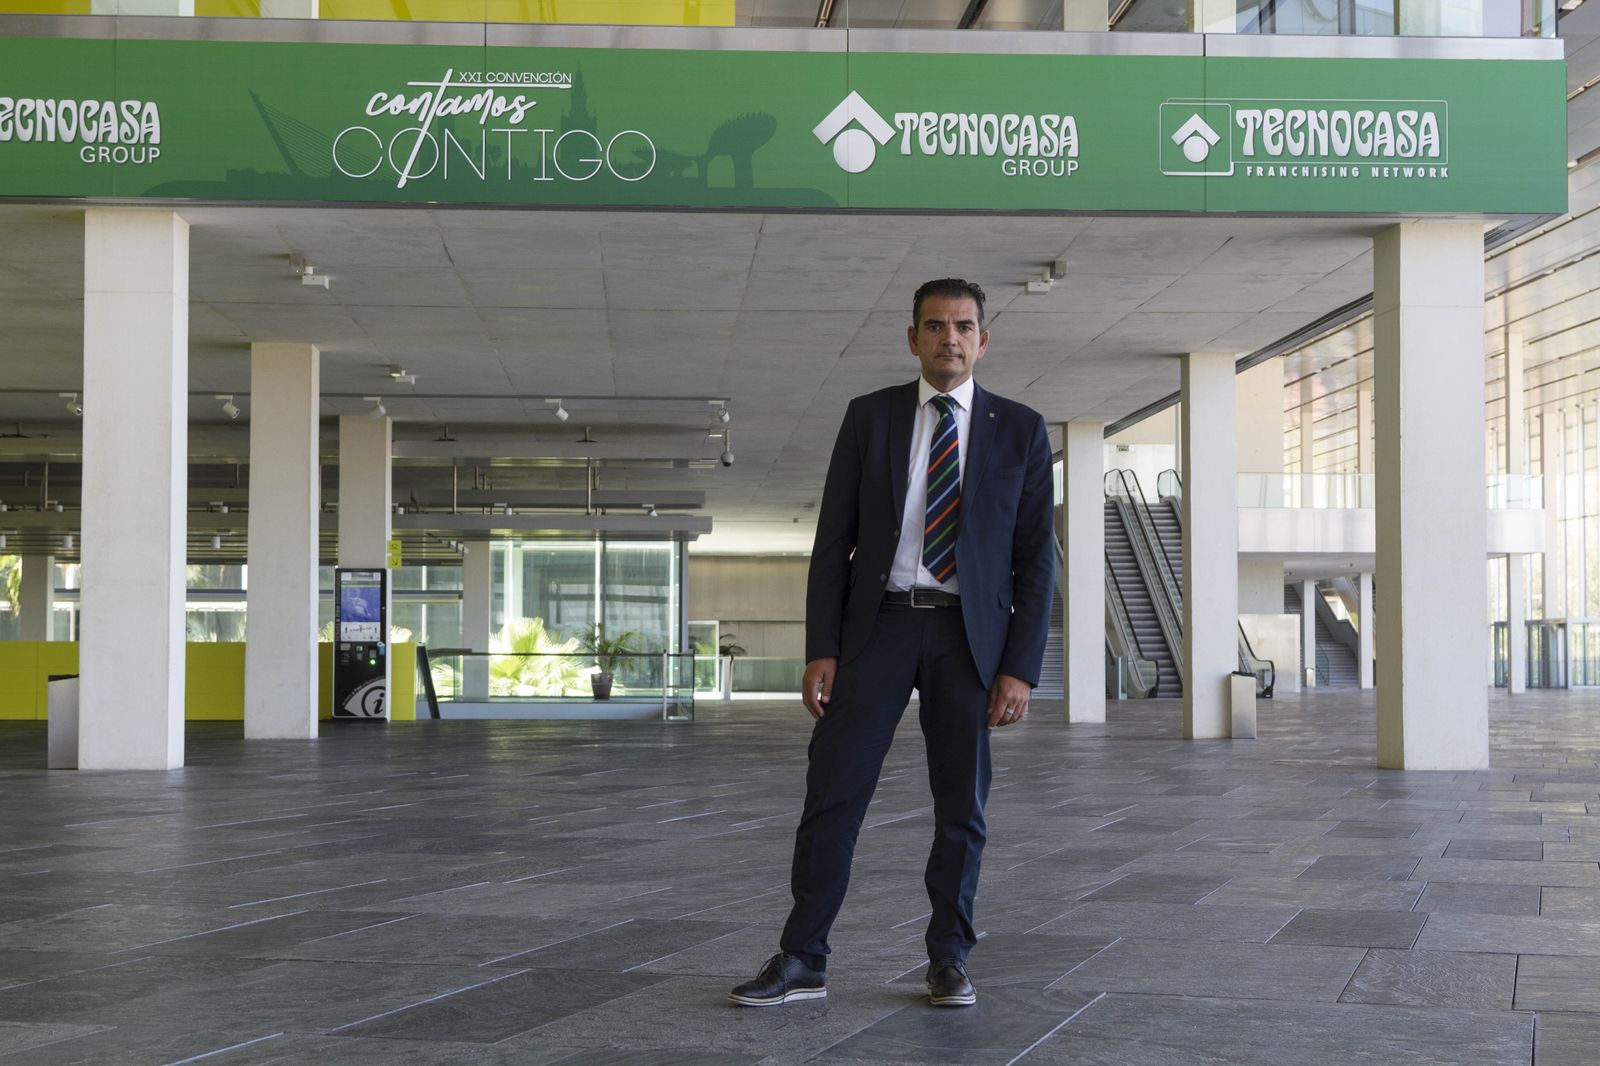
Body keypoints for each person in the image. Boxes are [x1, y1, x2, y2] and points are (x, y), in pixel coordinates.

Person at [729, 278, 1055, 1009]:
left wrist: (1019, 667)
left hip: (969, 639)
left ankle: (948, 960)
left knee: (961, 809)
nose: (951, 339)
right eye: (936, 326)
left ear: (984, 338)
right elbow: (833, 543)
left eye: (964, 326)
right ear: (912, 338)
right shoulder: (869, 417)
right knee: (832, 795)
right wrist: (822, 646)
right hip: (877, 626)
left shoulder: (1022, 430)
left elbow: (1037, 560)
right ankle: (803, 957)